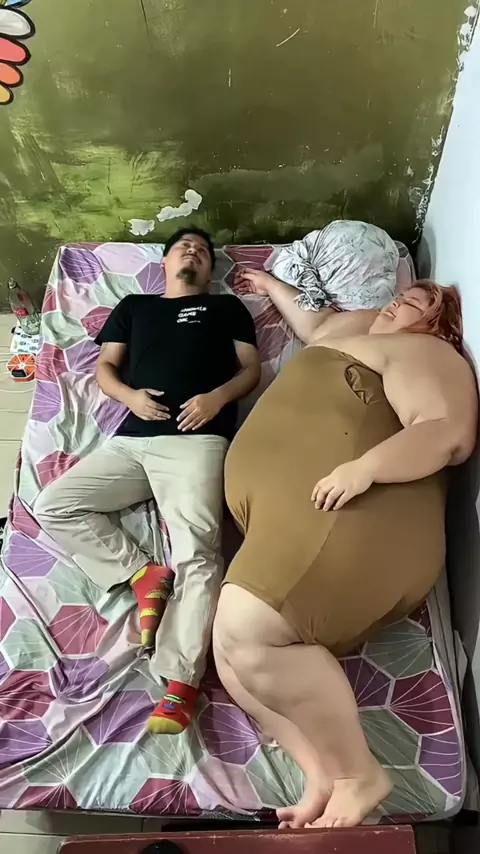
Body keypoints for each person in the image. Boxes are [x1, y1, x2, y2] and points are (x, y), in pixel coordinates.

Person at [213, 268, 477, 829]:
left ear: (438, 327)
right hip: (298, 521)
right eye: (399, 295)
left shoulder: (425, 352)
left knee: (250, 635)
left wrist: (365, 469)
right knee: (229, 654)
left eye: (415, 304)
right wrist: (272, 285)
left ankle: (361, 775)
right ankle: (321, 777)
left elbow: (446, 429)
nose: (398, 303)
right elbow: (315, 325)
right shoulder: (355, 336)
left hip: (353, 516)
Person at [35, 228, 260, 736]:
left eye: (202, 250)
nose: (193, 251)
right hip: (131, 441)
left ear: (210, 269)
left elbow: (251, 369)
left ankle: (179, 682)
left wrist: (218, 398)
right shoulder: (135, 307)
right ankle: (141, 573)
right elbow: (105, 368)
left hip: (197, 440)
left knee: (199, 553)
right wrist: (130, 398)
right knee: (54, 504)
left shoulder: (226, 308)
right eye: (184, 246)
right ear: (164, 261)